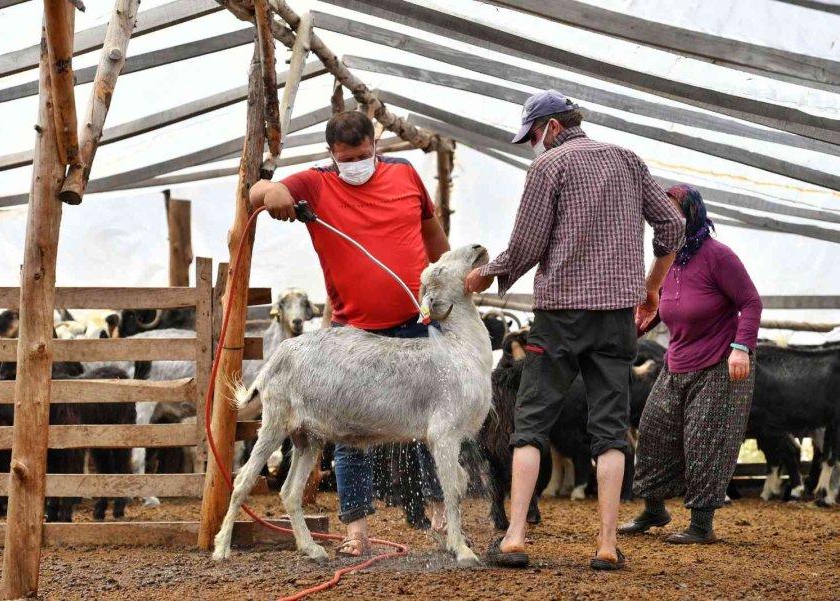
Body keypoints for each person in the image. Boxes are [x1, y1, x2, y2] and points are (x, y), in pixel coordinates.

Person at [465, 90, 685, 570]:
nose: (533, 145)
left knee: (530, 424)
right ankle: (606, 545)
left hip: (560, 315)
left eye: (533, 135)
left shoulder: (549, 166)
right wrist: (651, 288)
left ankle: (515, 537)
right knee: (610, 429)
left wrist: (485, 274)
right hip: (616, 315)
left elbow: (526, 245)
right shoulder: (628, 160)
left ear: (552, 126)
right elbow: (672, 225)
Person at [249, 110, 451, 557]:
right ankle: (356, 530)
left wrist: (448, 283)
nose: (356, 164)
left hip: (415, 321)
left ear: (374, 146)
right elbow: (255, 192)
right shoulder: (317, 183)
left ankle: (442, 517)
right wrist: (275, 192)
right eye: (347, 159)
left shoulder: (404, 173)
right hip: (353, 330)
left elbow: (432, 234)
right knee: (346, 431)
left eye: (362, 155)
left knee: (434, 423)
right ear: (331, 155)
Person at [619, 184, 762, 544]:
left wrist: (741, 348)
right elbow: (663, 304)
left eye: (673, 212)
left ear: (692, 214)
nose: (665, 219)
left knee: (705, 439)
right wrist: (636, 328)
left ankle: (701, 524)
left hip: (719, 363)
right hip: (676, 360)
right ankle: (654, 510)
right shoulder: (666, 259)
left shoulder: (718, 256)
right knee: (653, 430)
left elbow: (751, 302)